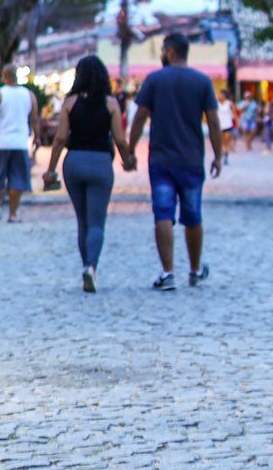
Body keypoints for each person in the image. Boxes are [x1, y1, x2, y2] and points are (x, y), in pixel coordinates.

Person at [125, 31, 227, 291]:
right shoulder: (202, 81)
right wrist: (218, 154)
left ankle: (167, 272)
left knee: (163, 214)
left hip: (161, 159)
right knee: (193, 216)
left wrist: (130, 149)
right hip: (192, 159)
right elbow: (214, 121)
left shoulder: (155, 80)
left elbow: (140, 117)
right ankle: (194, 271)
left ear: (170, 52)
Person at [42, 54, 136, 292]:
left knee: (82, 221)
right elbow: (120, 140)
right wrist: (126, 161)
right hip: (100, 163)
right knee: (97, 221)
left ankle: (86, 265)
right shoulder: (111, 104)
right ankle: (91, 267)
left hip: (73, 163)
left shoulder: (70, 103)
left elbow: (61, 138)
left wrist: (51, 169)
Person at [0, 65, 36, 222]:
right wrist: (37, 139)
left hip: (0, 142)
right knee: (17, 180)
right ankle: (13, 214)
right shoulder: (29, 95)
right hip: (20, 143)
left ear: (3, 76)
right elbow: (34, 119)